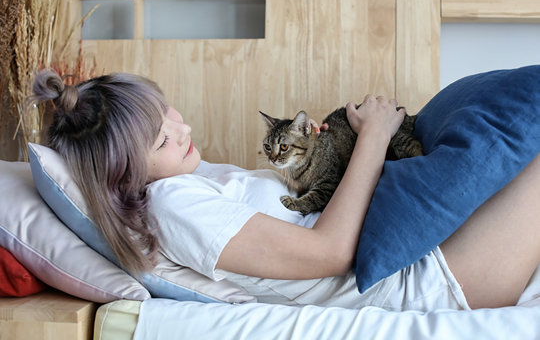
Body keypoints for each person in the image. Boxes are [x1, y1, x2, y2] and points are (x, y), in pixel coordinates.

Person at [32, 69, 540, 311]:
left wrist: (330, 153)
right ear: (123, 175)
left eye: (169, 112)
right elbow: (332, 252)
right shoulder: (173, 206)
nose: (183, 130)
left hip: (423, 247)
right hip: (429, 280)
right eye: (163, 139)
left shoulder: (191, 180)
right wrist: (374, 136)